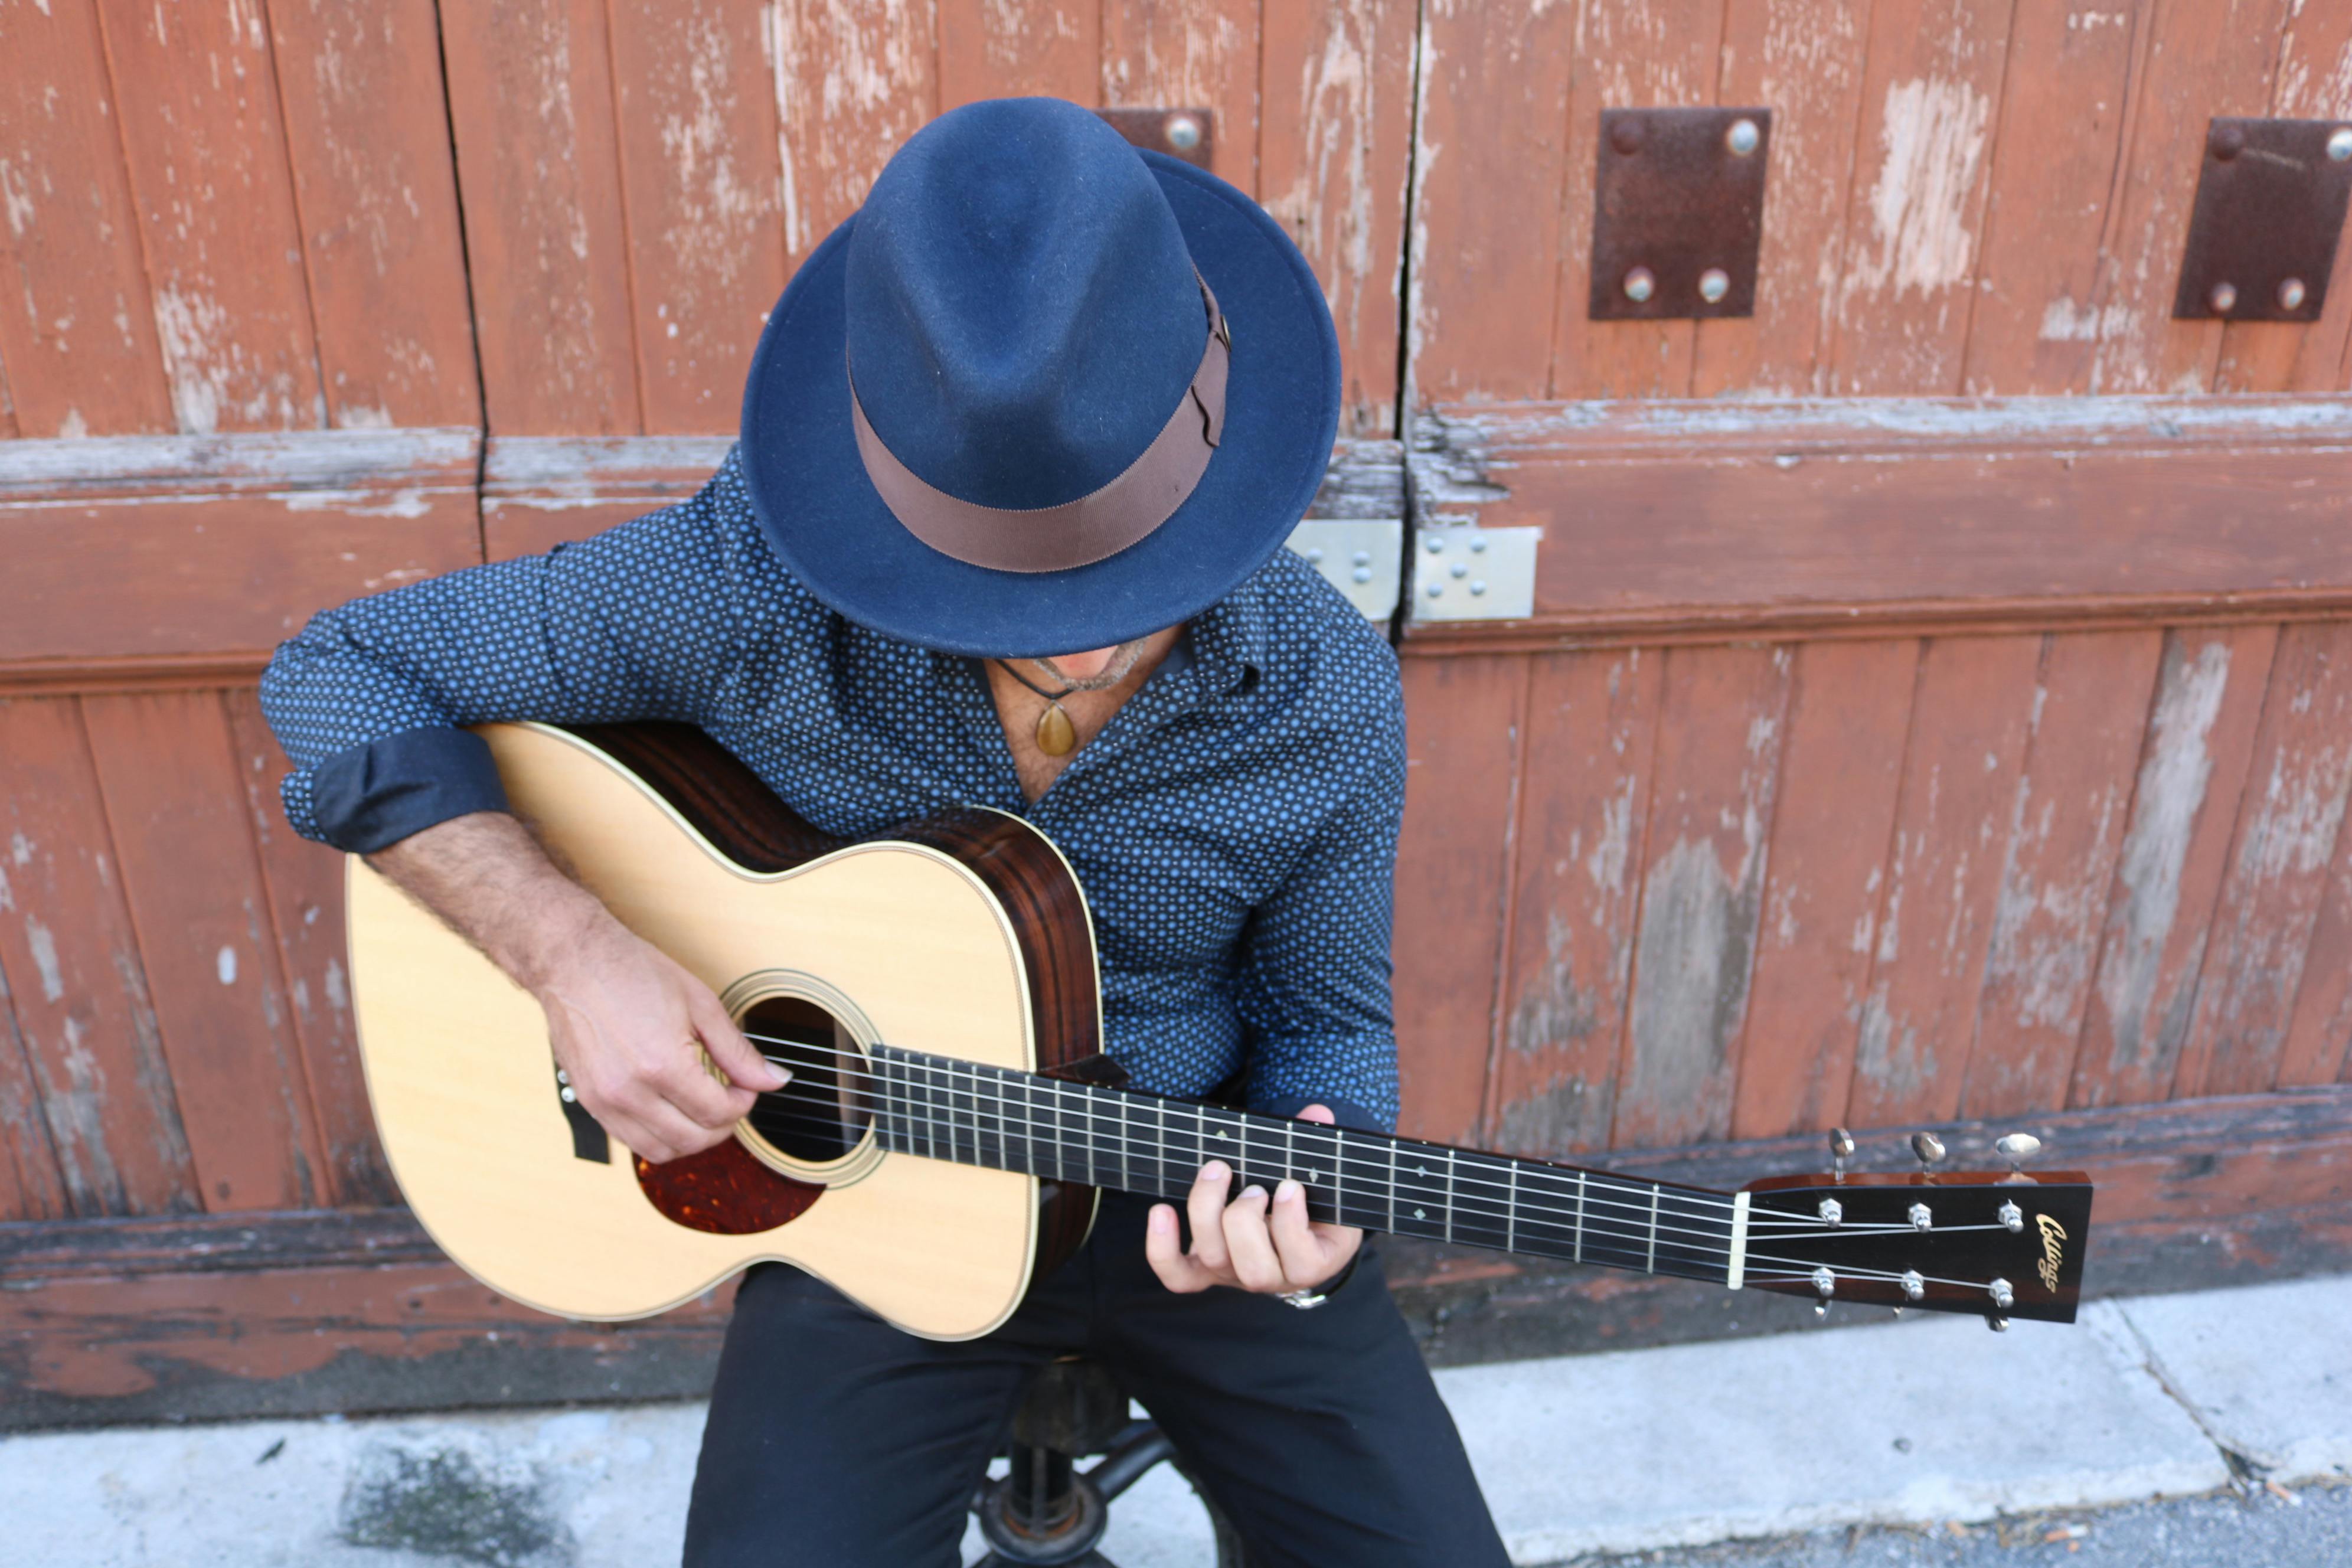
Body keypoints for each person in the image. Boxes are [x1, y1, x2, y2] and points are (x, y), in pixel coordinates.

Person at [260, 96, 1508, 1567]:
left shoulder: (1324, 687)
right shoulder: (746, 580)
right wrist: (573, 954)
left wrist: (1320, 1176)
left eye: (1130, 579)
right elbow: (335, 674)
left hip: (1191, 1192)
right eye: (1012, 598)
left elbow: (1328, 1023)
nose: (1076, 651)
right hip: (874, 1193)